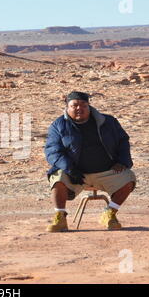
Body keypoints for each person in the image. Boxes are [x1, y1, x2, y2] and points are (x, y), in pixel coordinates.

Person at [44, 91, 136, 232]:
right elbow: (53, 151)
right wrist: (70, 169)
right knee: (57, 177)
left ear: (89, 106)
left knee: (128, 177)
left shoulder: (108, 121)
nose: (79, 108)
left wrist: (123, 161)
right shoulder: (58, 125)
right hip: (74, 173)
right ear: (67, 108)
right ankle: (60, 216)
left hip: (106, 171)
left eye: (83, 105)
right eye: (74, 105)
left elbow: (123, 141)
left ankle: (109, 213)